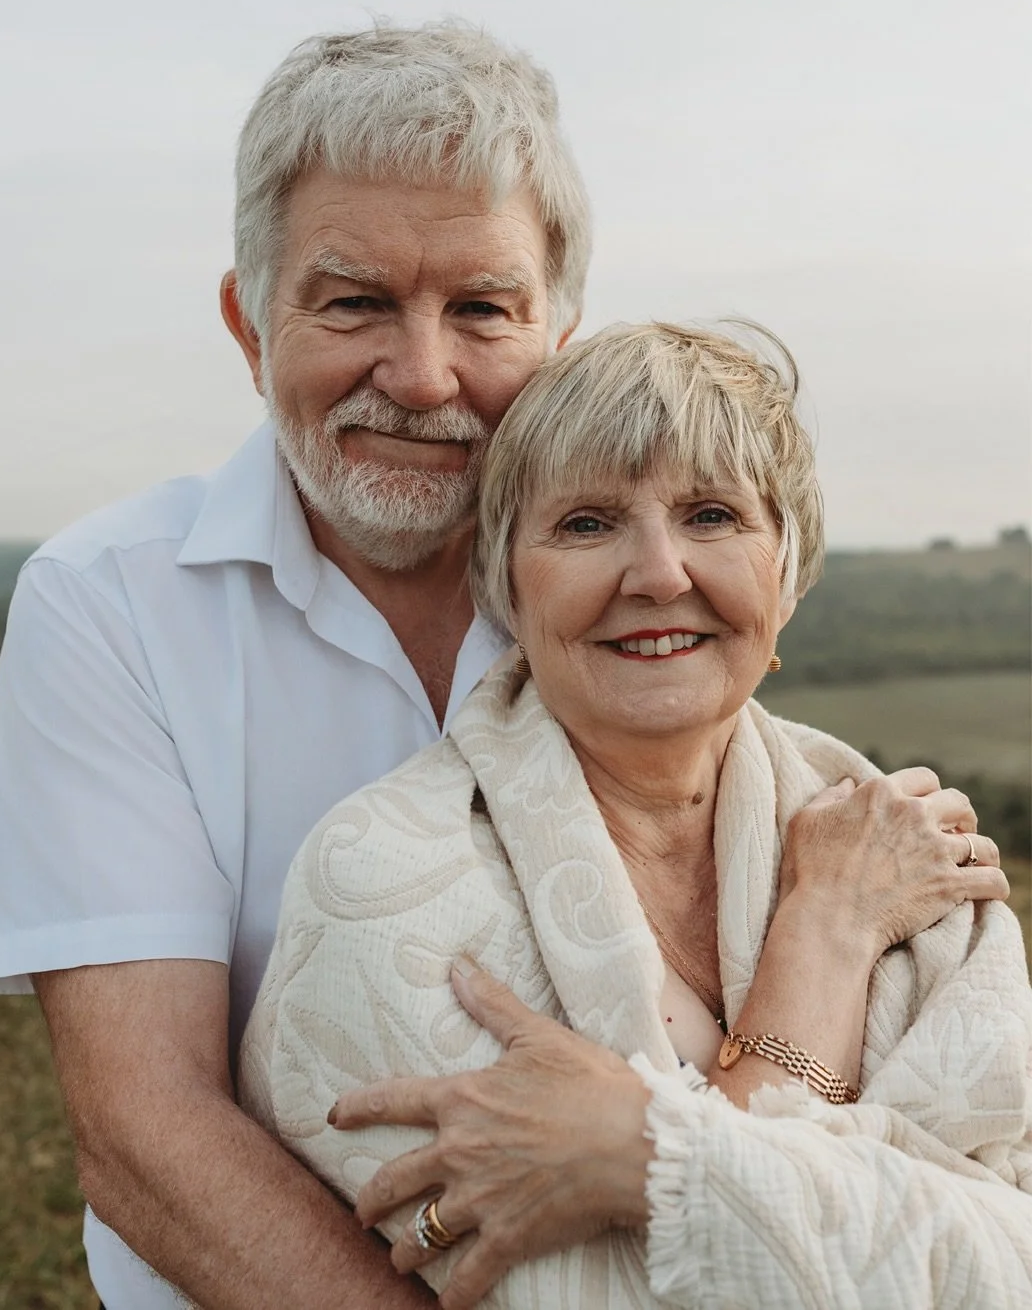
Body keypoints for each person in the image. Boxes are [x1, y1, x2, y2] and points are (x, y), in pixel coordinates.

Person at [0, 22, 588, 1309]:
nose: (423, 376)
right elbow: (148, 1138)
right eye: (355, 300)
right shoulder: (109, 607)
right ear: (250, 321)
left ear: (561, 334)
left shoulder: (630, 591)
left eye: (482, 309)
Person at [239, 322, 1032, 1309]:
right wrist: (822, 946)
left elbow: (1015, 1252)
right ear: (505, 583)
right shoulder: (381, 885)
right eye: (585, 524)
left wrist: (638, 1157)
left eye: (710, 515)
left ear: (785, 568)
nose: (659, 573)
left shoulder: (895, 842)